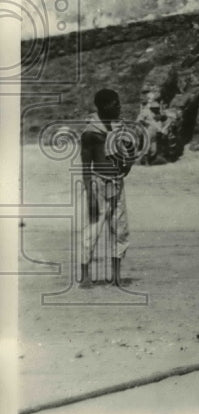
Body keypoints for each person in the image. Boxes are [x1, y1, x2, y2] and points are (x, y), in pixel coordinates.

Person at [79, 89, 133, 288]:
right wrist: (90, 195)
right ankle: (85, 275)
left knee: (120, 229)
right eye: (114, 103)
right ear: (103, 106)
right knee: (92, 229)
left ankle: (116, 275)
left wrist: (128, 164)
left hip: (118, 183)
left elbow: (130, 150)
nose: (119, 106)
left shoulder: (120, 128)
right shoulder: (90, 133)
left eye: (119, 102)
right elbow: (85, 165)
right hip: (98, 184)